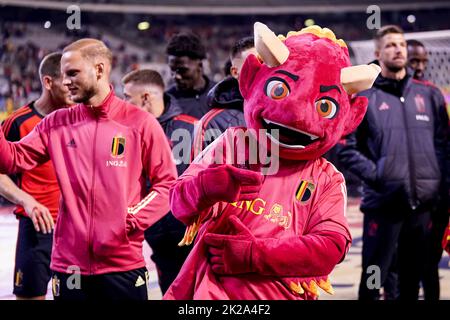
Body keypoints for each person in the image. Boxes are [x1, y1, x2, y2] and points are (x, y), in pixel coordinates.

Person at [164, 23, 380, 300]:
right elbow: (178, 204)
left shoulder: (327, 177)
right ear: (250, 80)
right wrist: (208, 186)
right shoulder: (234, 142)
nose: (297, 114)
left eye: (324, 106)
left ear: (349, 118)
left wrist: (254, 255)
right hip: (210, 292)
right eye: (280, 90)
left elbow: (330, 248)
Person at [0, 38, 177, 300]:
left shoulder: (140, 123)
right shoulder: (56, 123)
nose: (66, 81)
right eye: (63, 75)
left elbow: (167, 184)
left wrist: (130, 220)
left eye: (73, 73)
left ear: (100, 69)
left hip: (123, 265)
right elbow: (12, 159)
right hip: (69, 267)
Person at [337, 25, 448, 300]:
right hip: (383, 207)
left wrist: (438, 188)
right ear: (377, 53)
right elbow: (345, 149)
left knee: (411, 282)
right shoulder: (363, 98)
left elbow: (443, 145)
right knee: (374, 279)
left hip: (422, 208)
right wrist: (379, 175)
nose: (397, 49)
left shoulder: (429, 94)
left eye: (400, 44)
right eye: (390, 45)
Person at [0, 52, 72, 300]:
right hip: (37, 228)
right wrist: (26, 201)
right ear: (48, 82)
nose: (73, 86)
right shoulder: (17, 123)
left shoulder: (83, 117)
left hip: (77, 229)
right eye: (67, 79)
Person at [122, 68, 197, 294]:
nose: (123, 104)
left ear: (145, 98)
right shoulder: (124, 133)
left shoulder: (193, 128)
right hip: (155, 237)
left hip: (190, 238)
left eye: (127, 97)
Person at [407, 38, 450, 300]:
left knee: (431, 260)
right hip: (402, 195)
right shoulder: (384, 96)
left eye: (424, 61)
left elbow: (444, 144)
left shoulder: (434, 95)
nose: (421, 66)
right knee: (402, 263)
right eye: (415, 61)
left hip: (436, 194)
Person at [192, 37, 256, 157]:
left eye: (265, 64)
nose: (260, 70)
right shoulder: (212, 123)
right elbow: (198, 173)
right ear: (235, 72)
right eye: (251, 65)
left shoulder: (282, 113)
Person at [166, 32, 216, 119]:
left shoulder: (220, 95)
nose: (176, 76)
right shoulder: (167, 101)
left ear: (199, 65)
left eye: (182, 70)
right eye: (172, 70)